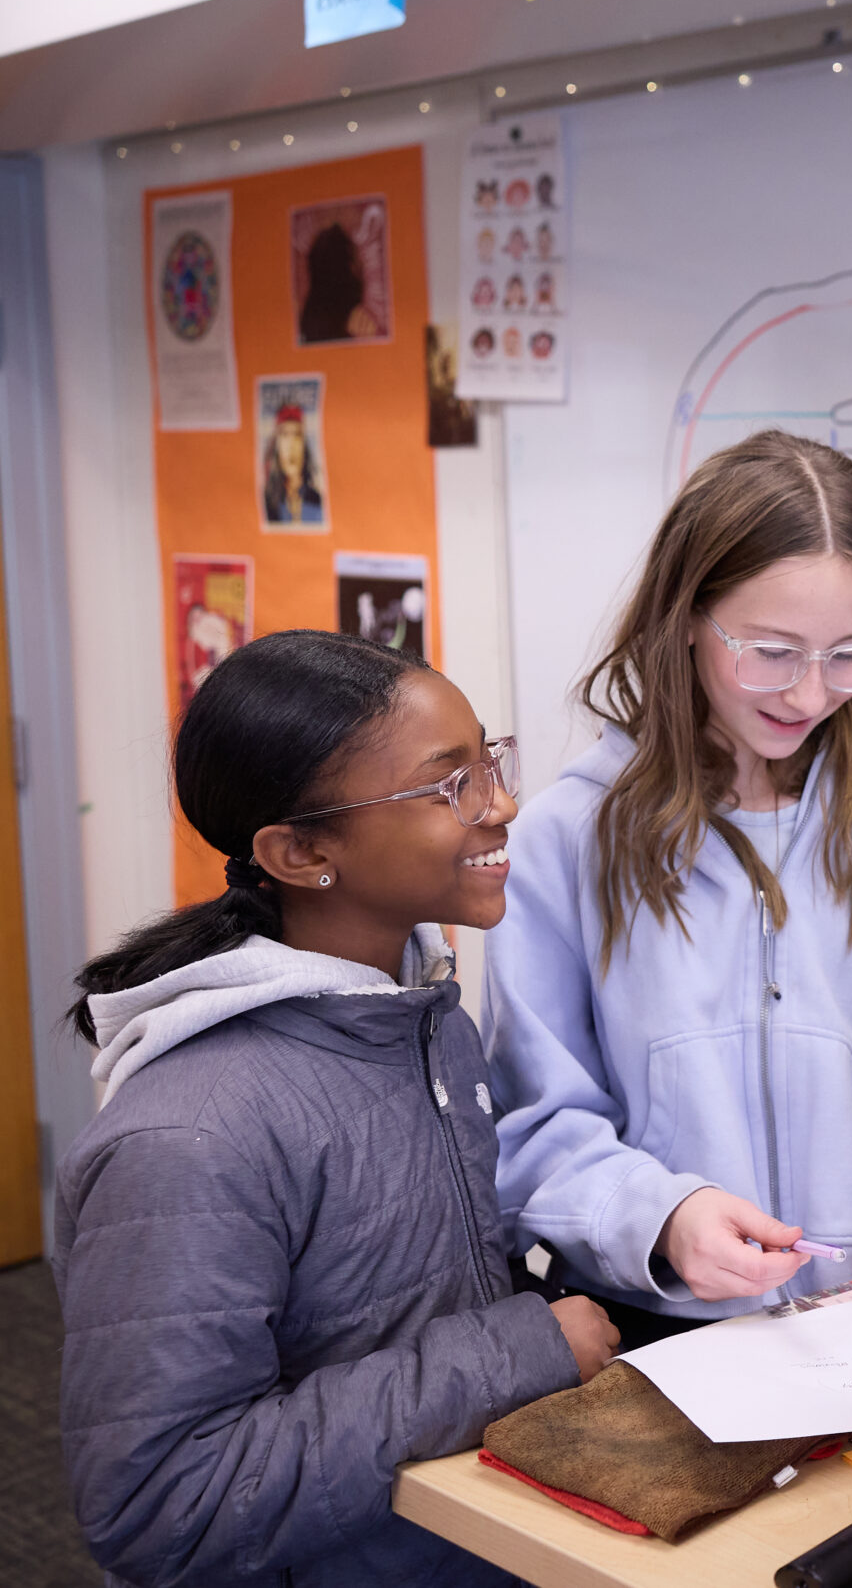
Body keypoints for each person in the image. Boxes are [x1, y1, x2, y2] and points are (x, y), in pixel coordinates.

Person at [53, 630, 616, 1588]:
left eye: (489, 760)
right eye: (451, 786)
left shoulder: (423, 1020)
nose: (503, 805)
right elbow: (162, 1502)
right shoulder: (191, 1137)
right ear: (302, 850)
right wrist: (520, 1350)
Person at [486, 431, 852, 1348]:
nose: (809, 693)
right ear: (685, 617)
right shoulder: (569, 840)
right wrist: (659, 1214)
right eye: (772, 651)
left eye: (848, 654)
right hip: (663, 1331)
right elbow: (532, 1123)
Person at [261, 399, 325, 526]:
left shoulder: (318, 501)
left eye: (297, 435)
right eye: (285, 435)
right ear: (276, 446)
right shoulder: (267, 503)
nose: (291, 445)